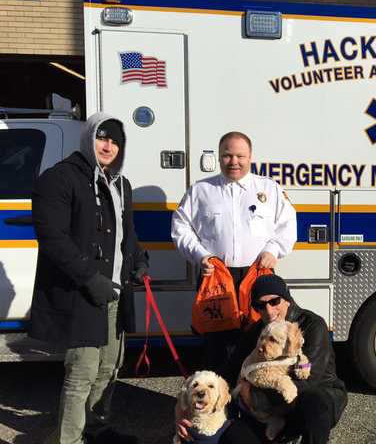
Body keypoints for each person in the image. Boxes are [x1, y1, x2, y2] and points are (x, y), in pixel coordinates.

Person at [30, 113, 148, 444]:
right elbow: (52, 237)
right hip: (81, 294)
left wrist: (139, 259)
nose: (109, 146)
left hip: (115, 293)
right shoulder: (60, 178)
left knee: (110, 367)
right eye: (103, 137)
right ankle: (67, 439)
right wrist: (88, 277)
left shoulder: (121, 184)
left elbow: (129, 235)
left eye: (116, 140)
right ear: (89, 138)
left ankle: (96, 430)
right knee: (83, 371)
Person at [171, 131, 297, 372]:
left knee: (259, 342)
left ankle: (251, 404)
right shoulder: (201, 190)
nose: (234, 161)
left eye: (240, 156)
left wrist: (273, 250)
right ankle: (217, 405)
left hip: (257, 277)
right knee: (216, 346)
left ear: (250, 157)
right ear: (219, 157)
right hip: (216, 278)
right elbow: (180, 228)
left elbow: (287, 225)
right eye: (227, 156)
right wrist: (200, 255)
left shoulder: (269, 189)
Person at [176, 274, 348, 444]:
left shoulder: (312, 325)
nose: (269, 311)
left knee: (315, 400)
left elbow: (309, 380)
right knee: (232, 435)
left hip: (305, 402)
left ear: (287, 299)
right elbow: (228, 371)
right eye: (261, 305)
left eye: (274, 302)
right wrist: (186, 408)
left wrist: (252, 397)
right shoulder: (256, 331)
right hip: (267, 411)